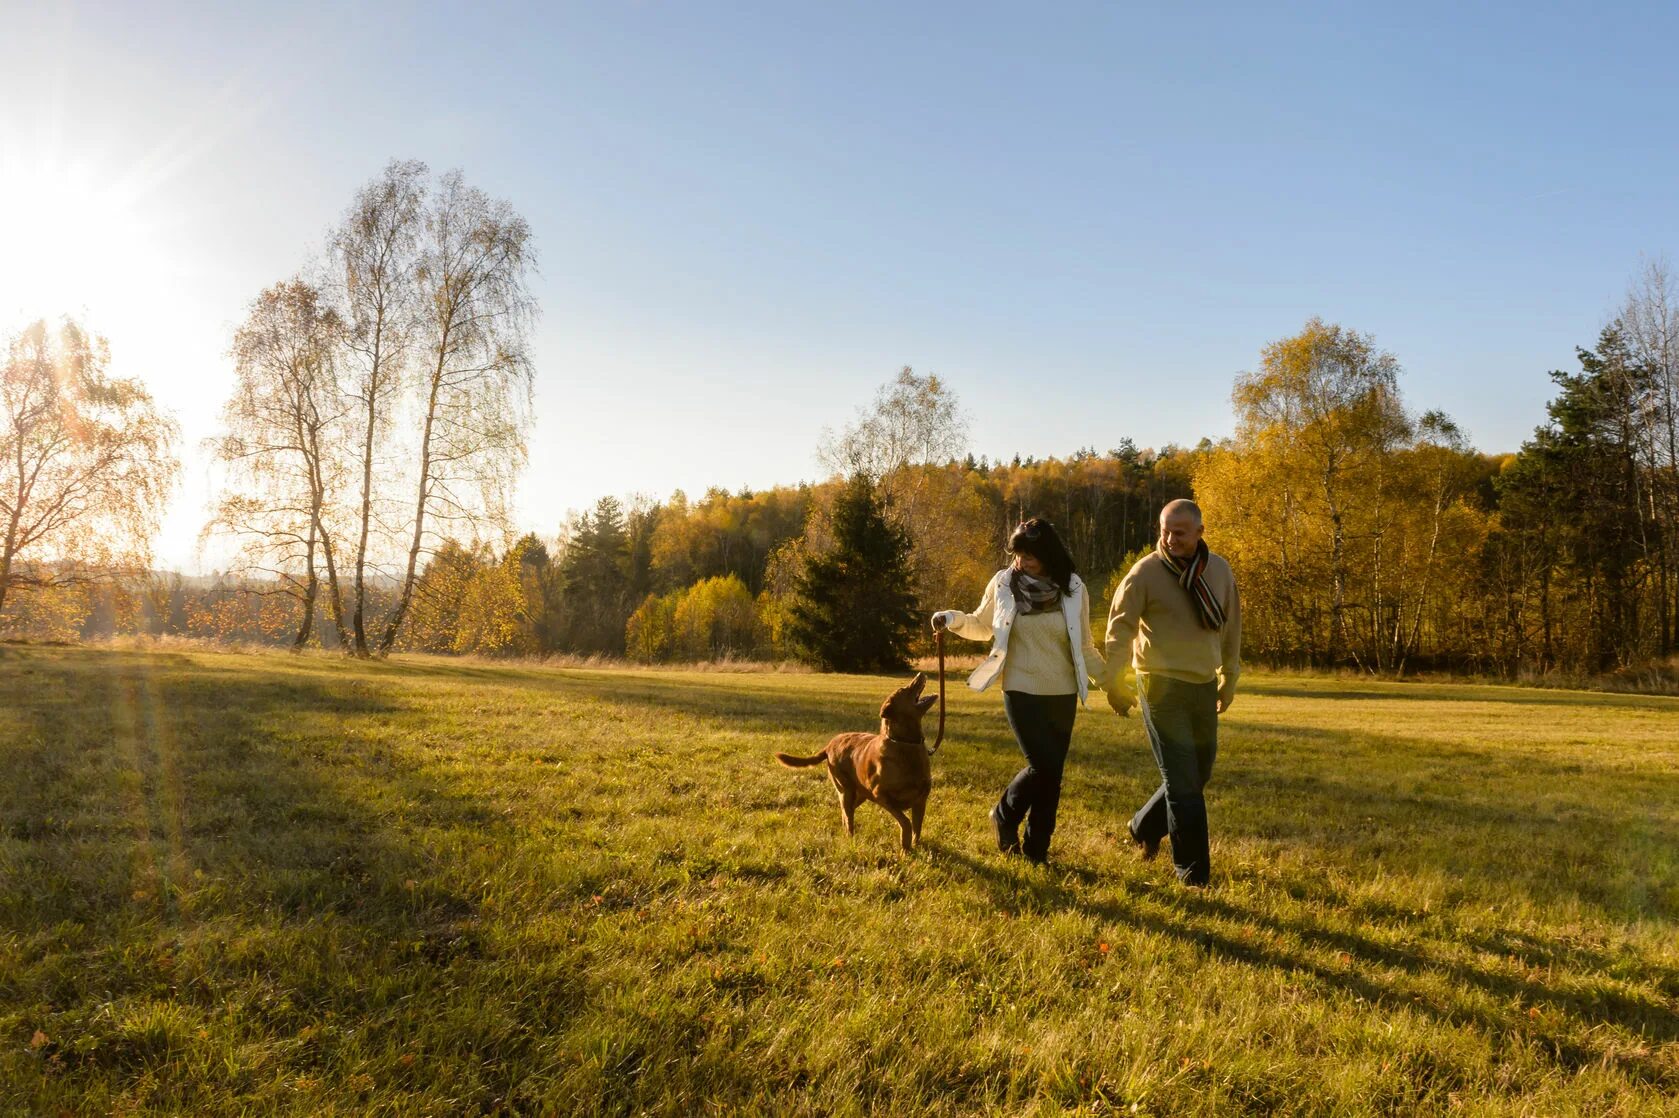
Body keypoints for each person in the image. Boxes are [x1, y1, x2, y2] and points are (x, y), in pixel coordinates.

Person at [931, 518, 1105, 865]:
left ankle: (1037, 850)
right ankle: (1005, 814)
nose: (1022, 561)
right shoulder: (1004, 584)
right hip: (1020, 687)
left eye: (1030, 555)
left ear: (1048, 554)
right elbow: (982, 625)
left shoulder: (1073, 588)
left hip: (1062, 692)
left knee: (1052, 776)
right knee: (1042, 765)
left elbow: (1085, 646)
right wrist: (950, 619)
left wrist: (1111, 684)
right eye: (1018, 554)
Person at [1103, 499, 1241, 887]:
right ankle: (1193, 875)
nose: (1170, 538)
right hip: (1159, 684)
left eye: (1179, 532)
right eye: (1164, 530)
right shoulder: (1145, 572)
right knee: (1182, 784)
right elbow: (1119, 629)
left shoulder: (1219, 570)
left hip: (1202, 683)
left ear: (1200, 532)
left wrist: (1229, 677)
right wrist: (1113, 682)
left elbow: (1231, 628)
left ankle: (1143, 826)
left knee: (1198, 774)